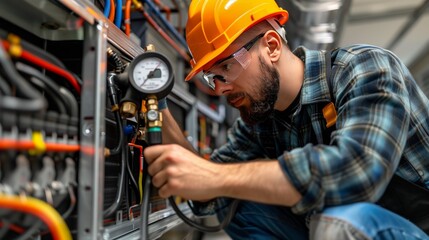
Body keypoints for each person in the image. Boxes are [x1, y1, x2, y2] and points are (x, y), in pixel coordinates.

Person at [144, 0, 429, 239]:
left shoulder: (365, 67)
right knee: (236, 207)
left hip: (414, 228)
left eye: (226, 67)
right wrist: (159, 106)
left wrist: (216, 177)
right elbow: (207, 193)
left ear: (271, 46)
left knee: (341, 219)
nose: (219, 88)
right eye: (212, 77)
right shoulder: (259, 121)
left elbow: (355, 171)